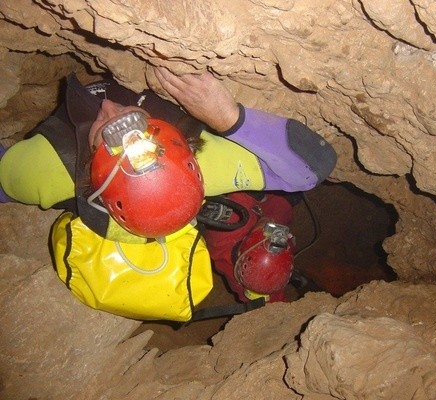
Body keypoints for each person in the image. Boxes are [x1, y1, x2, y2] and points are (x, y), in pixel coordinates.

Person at [0, 67, 337, 321]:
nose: (109, 109)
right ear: (184, 151)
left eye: (109, 133)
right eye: (126, 128)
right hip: (240, 218)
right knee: (269, 218)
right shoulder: (204, 163)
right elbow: (313, 165)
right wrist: (228, 117)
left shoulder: (41, 170)